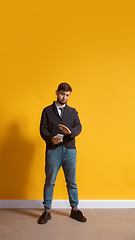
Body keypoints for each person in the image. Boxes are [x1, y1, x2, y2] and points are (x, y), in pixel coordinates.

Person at [38, 82, 87, 224]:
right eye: (62, 94)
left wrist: (70, 132)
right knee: (50, 181)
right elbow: (43, 129)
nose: (64, 97)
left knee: (72, 181)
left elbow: (79, 126)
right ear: (56, 92)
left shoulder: (73, 112)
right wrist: (50, 139)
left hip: (70, 150)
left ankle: (75, 210)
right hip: (53, 150)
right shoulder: (47, 111)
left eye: (67, 95)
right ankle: (47, 211)